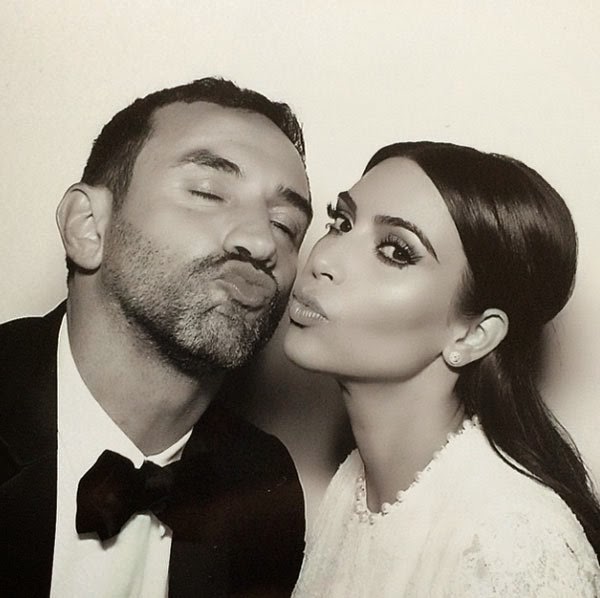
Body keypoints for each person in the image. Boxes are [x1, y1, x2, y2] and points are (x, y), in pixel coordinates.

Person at [0, 77, 312, 597]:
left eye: (286, 225)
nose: (262, 242)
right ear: (87, 227)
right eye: (208, 192)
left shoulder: (263, 489)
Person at [284, 141, 600, 597]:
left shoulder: (512, 542)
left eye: (395, 251)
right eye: (341, 223)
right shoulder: (353, 488)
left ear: (473, 336)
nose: (322, 260)